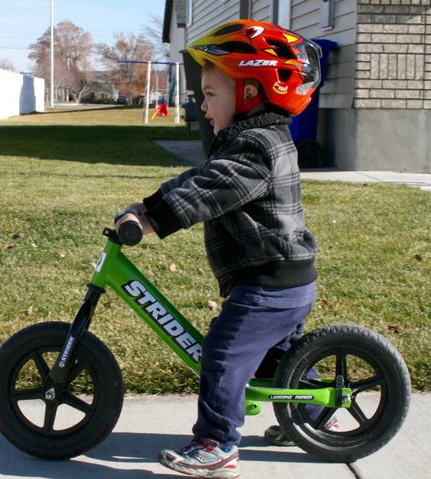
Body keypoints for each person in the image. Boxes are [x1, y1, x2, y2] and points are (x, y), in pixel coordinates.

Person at [115, 20, 325, 478]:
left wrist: (152, 220)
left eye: (211, 94)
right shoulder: (251, 141)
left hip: (268, 284)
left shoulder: (254, 148)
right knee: (277, 358)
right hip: (279, 277)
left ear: (250, 93)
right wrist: (150, 204)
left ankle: (217, 443)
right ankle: (309, 418)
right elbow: (197, 179)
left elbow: (210, 189)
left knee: (224, 354)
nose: (203, 104)